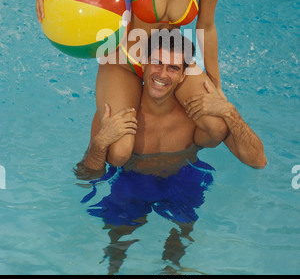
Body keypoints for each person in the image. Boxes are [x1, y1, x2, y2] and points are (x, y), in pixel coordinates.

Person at [36, 0, 227, 167]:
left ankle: (177, 158)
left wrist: (216, 86)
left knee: (217, 128)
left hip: (167, 62)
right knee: (120, 153)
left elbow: (206, 27)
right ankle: (103, 116)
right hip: (125, 60)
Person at [80, 30, 267, 174]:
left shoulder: (195, 117)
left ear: (183, 75)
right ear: (143, 63)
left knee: (187, 224)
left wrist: (230, 112)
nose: (162, 74)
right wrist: (100, 143)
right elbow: (87, 176)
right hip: (131, 183)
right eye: (157, 63)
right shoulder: (118, 117)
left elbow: (258, 162)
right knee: (119, 226)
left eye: (172, 68)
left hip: (184, 179)